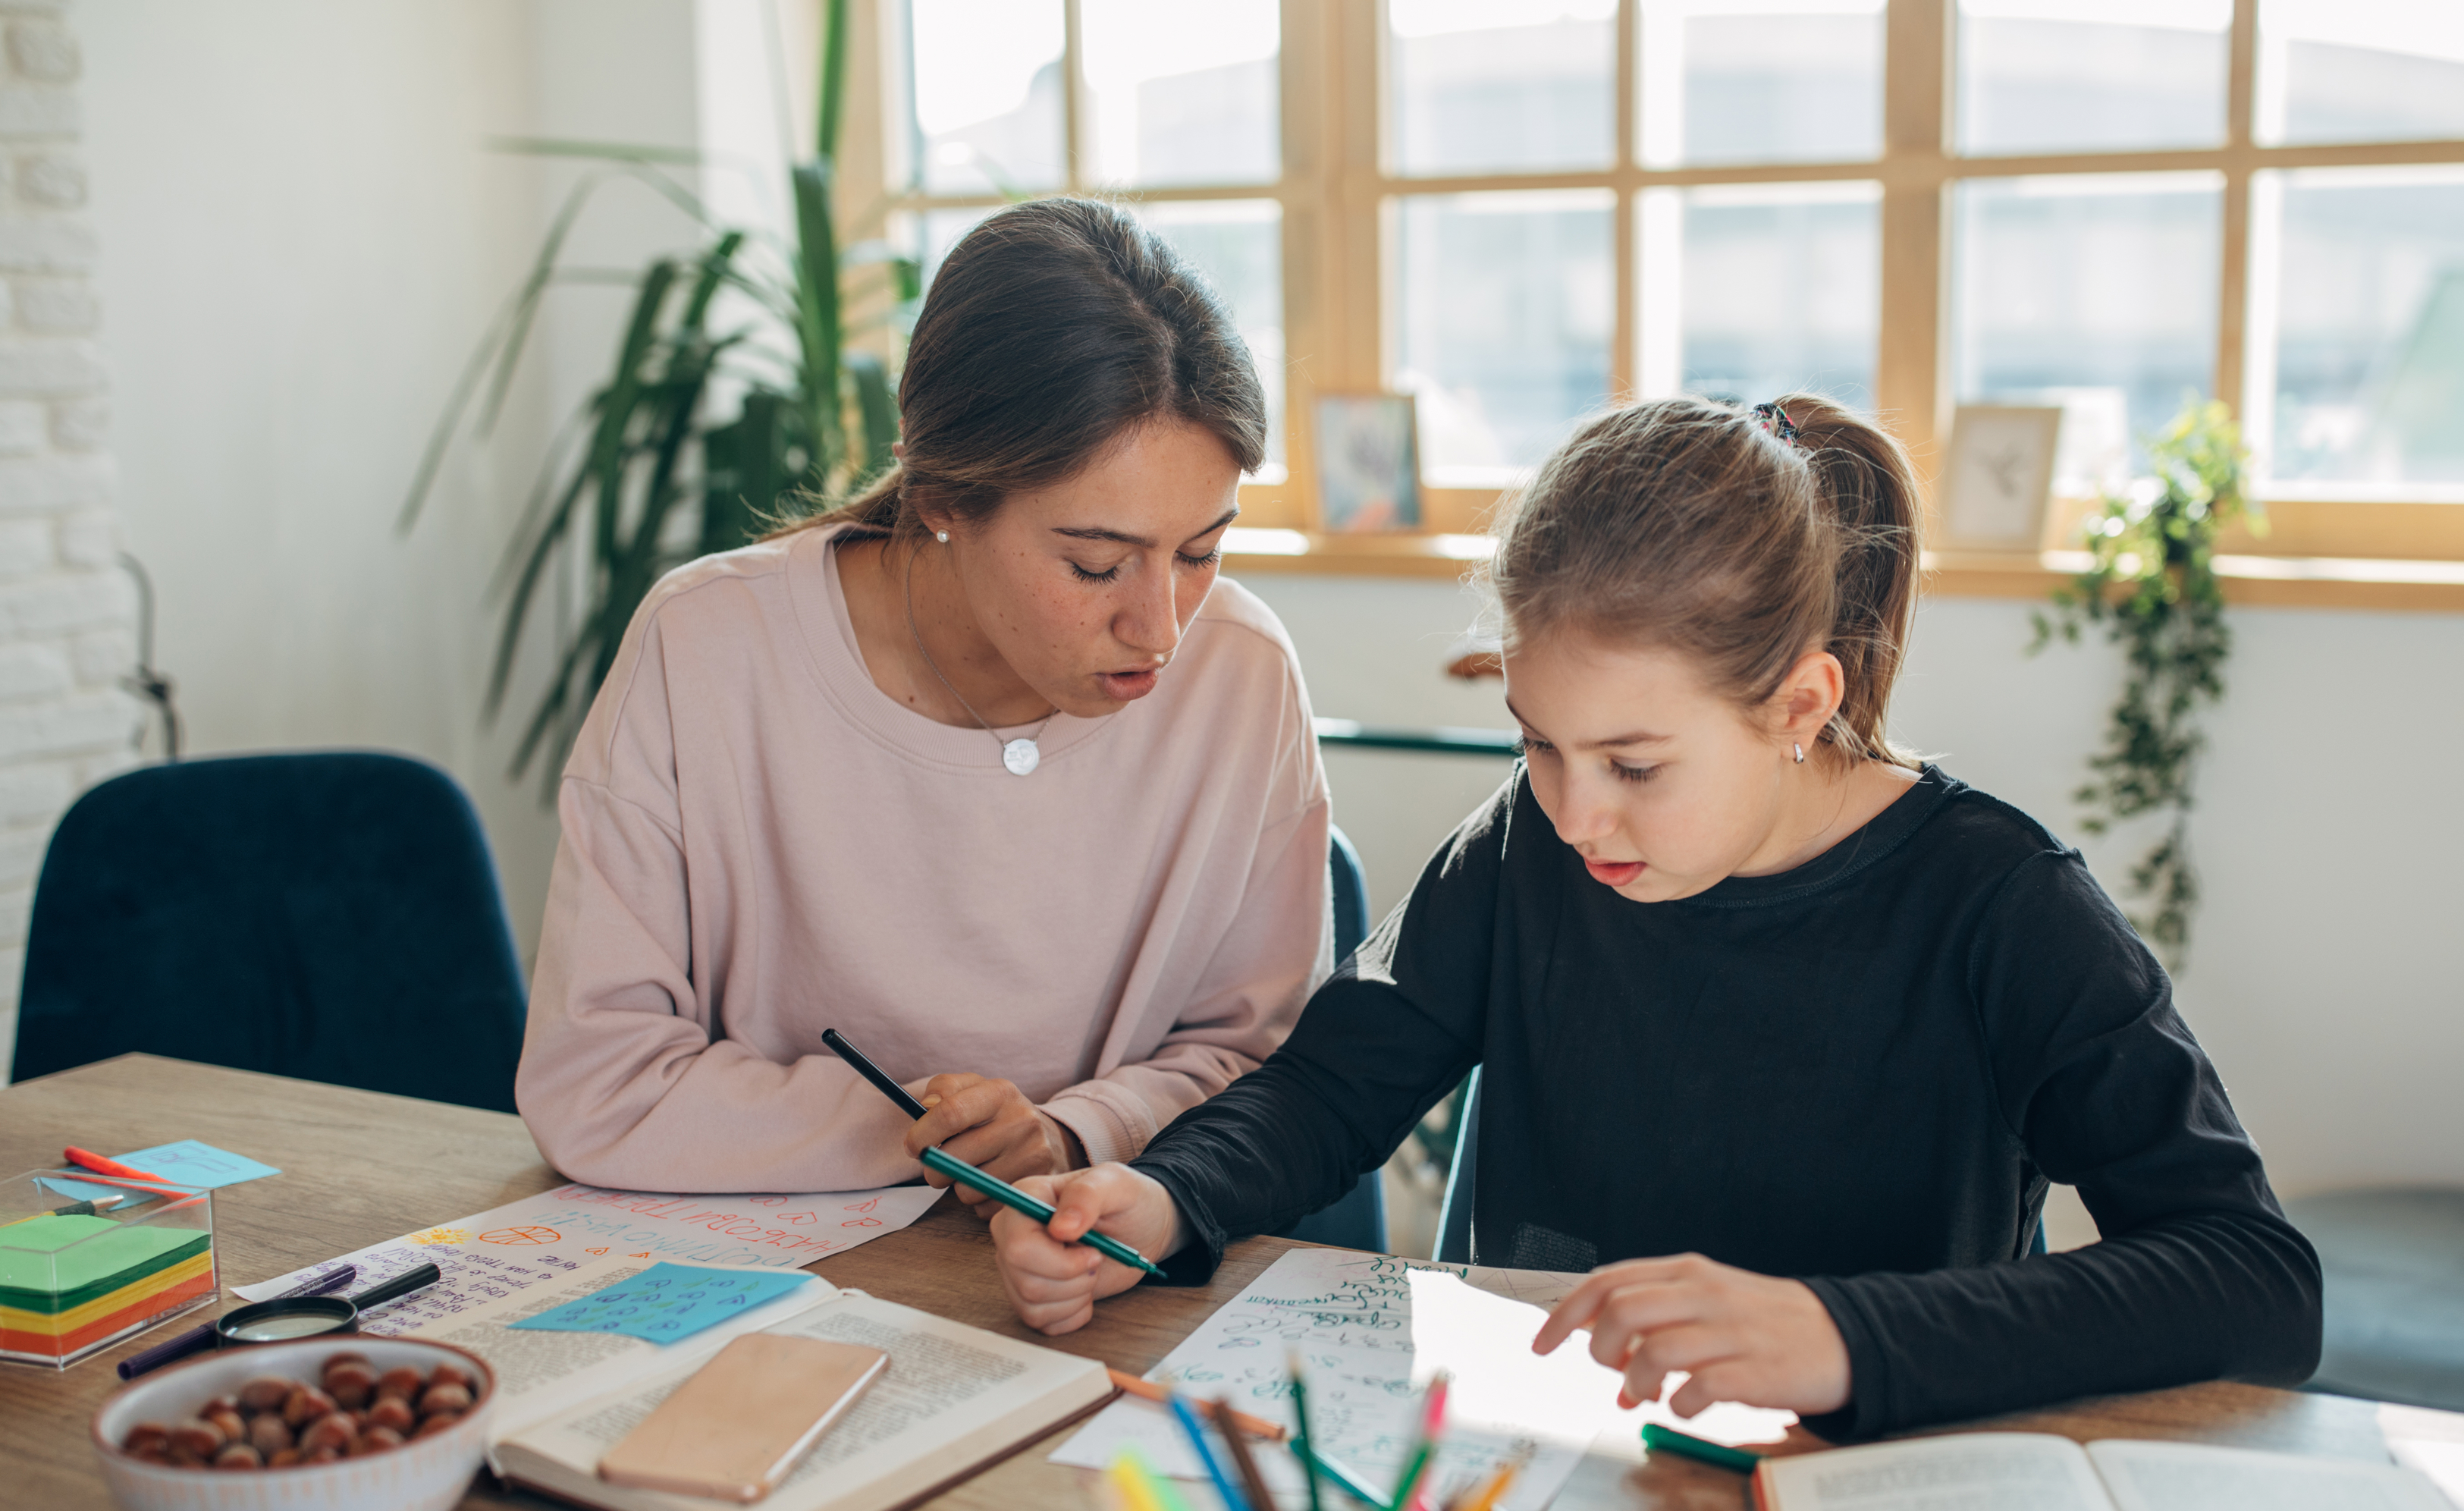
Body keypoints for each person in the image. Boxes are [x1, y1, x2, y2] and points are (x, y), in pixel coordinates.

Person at [975, 393, 2321, 1443]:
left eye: (1633, 764)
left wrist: (1838, 1337)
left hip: (1846, 1488)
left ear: (1800, 707)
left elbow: (2253, 1281)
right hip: (1536, 1472)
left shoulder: (2001, 906)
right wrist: (1160, 1196)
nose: (1572, 815)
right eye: (1538, 744)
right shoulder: (1531, 844)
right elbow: (1332, 1090)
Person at [517, 198, 1331, 1198]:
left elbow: (1275, 1069)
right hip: (779, 1287)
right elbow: (597, 1085)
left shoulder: (1239, 673)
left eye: (1202, 551)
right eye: (1093, 565)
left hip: (1108, 1273)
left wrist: (1071, 1135)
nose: (1161, 627)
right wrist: (921, 1131)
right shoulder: (707, 649)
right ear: (941, 498)